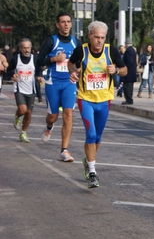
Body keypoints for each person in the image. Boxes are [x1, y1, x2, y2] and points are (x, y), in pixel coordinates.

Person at [68, 21, 127, 188]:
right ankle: (92, 172)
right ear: (89, 36)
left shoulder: (111, 51)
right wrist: (73, 73)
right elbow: (70, 64)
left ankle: (88, 161)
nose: (99, 41)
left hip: (104, 100)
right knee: (91, 134)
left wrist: (116, 70)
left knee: (98, 137)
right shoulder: (81, 49)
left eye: (102, 37)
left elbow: (125, 70)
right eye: (96, 37)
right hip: (85, 98)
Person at [37, 11, 82, 162]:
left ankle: (64, 150)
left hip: (69, 83)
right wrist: (55, 58)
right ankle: (49, 127)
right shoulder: (52, 41)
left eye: (68, 22)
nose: (66, 24)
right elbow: (39, 61)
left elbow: (82, 62)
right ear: (57, 25)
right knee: (53, 116)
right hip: (53, 82)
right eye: (62, 22)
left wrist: (78, 70)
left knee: (68, 114)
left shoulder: (77, 42)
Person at [8, 38, 43, 142]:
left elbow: (38, 71)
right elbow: (9, 70)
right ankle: (17, 116)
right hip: (19, 89)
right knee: (23, 110)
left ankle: (23, 133)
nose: (26, 50)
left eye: (28, 48)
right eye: (24, 48)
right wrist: (12, 75)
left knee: (28, 113)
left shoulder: (34, 59)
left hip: (31, 90)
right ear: (20, 48)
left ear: (31, 48)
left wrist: (39, 76)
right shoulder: (16, 59)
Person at [121, 38, 137, 105]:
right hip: (132, 72)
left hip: (129, 73)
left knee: (127, 87)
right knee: (129, 87)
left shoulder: (128, 50)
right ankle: (129, 99)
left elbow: (129, 62)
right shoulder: (133, 50)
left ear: (126, 44)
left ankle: (129, 100)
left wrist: (125, 68)